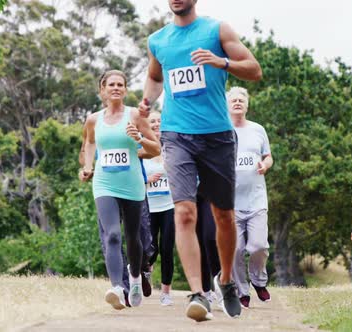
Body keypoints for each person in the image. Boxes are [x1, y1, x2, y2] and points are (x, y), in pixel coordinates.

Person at [138, 0, 262, 321]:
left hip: (217, 135)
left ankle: (226, 281)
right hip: (176, 134)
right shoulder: (158, 40)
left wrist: (221, 62)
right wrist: (147, 99)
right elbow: (155, 77)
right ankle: (197, 293)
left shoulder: (215, 30)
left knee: (224, 215)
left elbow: (254, 69)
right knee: (184, 212)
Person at [80, 70, 160, 310]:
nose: (116, 88)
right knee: (112, 234)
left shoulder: (135, 115)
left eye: (120, 85)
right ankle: (117, 287)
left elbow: (155, 149)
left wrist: (140, 138)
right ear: (102, 90)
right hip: (104, 183)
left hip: (132, 184)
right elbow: (89, 143)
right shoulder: (93, 119)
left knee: (133, 238)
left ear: (125, 90)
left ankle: (135, 277)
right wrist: (87, 165)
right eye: (111, 85)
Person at [227, 86, 273, 309]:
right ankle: (241, 289)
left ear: (247, 105)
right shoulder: (222, 130)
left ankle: (258, 280)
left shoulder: (257, 129)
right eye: (233, 100)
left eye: (241, 100)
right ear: (227, 105)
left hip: (256, 200)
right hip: (231, 203)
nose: (237, 102)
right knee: (234, 249)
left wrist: (265, 165)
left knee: (258, 246)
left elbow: (268, 156)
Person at [142, 111, 176, 306]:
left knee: (167, 248)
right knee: (149, 249)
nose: (155, 124)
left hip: (170, 205)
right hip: (149, 206)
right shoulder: (142, 149)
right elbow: (132, 174)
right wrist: (147, 179)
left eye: (158, 121)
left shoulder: (172, 148)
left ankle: (165, 293)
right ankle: (144, 271)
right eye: (152, 121)